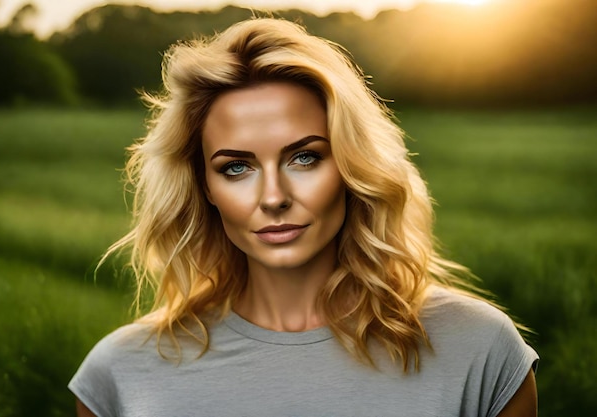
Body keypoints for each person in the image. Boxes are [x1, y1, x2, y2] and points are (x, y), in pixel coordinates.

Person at [69, 17, 538, 417]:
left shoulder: (478, 350)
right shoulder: (119, 373)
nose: (273, 197)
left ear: (351, 166)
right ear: (204, 187)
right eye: (237, 167)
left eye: (305, 158)